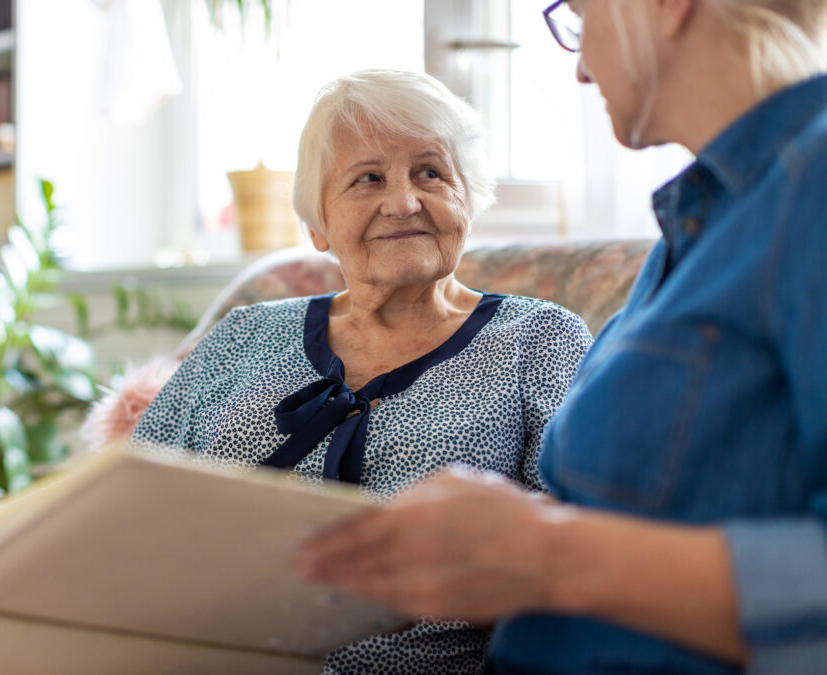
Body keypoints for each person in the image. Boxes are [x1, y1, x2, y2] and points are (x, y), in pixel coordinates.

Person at [296, 2, 827, 673]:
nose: (579, 68)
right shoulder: (698, 226)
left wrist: (545, 553)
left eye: (580, 16)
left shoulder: (812, 187)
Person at [131, 69, 593, 673]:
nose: (403, 202)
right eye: (367, 178)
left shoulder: (542, 340)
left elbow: (582, 557)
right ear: (318, 224)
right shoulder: (245, 333)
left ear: (468, 201)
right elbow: (133, 508)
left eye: (430, 172)